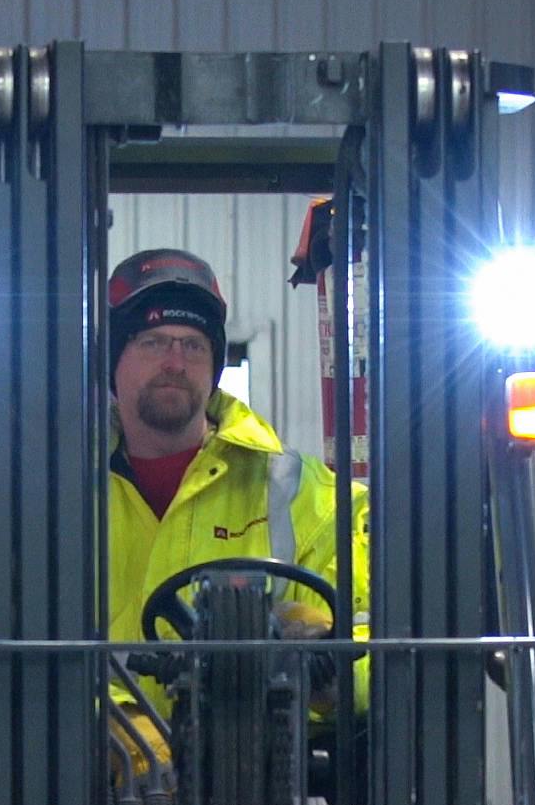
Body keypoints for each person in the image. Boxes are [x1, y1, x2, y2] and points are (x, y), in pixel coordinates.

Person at [99, 247, 365, 647]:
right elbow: (7, 649)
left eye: (193, 345)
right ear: (111, 360)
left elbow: (381, 639)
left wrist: (325, 668)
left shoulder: (307, 497)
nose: (175, 363)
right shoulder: (58, 500)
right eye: (152, 342)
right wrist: (110, 711)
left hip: (261, 711)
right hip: (91, 714)